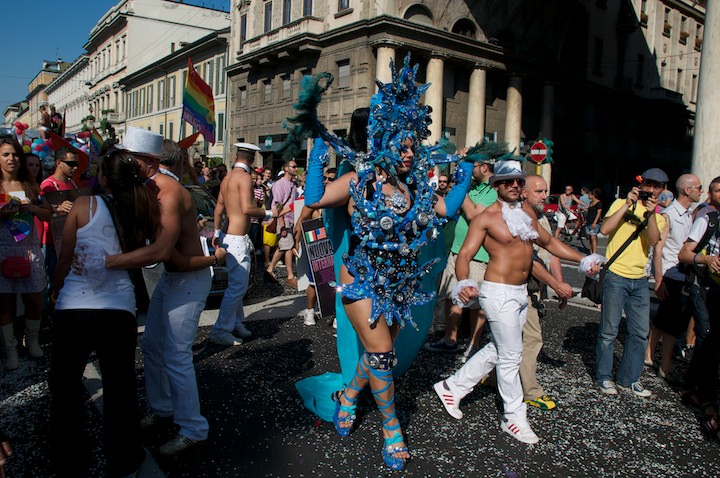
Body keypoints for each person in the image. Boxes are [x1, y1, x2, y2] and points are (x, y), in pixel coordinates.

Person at [297, 57, 473, 470]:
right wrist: (318, 154)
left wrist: (465, 169)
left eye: (414, 145)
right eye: (404, 146)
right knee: (381, 353)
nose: (411, 153)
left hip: (400, 285)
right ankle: (392, 428)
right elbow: (315, 200)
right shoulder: (359, 180)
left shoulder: (415, 188)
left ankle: (349, 398)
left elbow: (447, 209)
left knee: (381, 352)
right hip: (360, 279)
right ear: (385, 141)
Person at [432, 160, 600, 444]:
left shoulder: (525, 215)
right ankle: (513, 417)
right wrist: (464, 282)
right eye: (507, 181)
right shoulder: (486, 218)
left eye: (518, 181)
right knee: (511, 356)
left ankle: (452, 387)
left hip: (520, 292)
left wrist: (583, 258)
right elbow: (464, 255)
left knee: (500, 348)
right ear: (496, 185)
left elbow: (549, 243)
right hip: (497, 293)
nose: (513, 185)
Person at [104, 128, 224, 455]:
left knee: (176, 355)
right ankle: (163, 409)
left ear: (148, 162)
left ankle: (193, 428)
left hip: (188, 279)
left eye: (130, 159)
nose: (126, 165)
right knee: (152, 345)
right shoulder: (148, 188)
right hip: (175, 276)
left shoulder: (168, 193)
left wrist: (109, 261)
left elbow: (160, 251)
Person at [49, 148, 159, 477]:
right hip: (119, 307)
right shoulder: (142, 208)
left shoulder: (84, 204)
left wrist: (56, 292)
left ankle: (69, 460)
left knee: (66, 387)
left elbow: (64, 258)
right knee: (119, 387)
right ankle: (124, 460)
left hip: (75, 305)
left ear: (104, 178)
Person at [425, 141, 503, 359]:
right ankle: (450, 340)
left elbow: (474, 215)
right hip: (458, 251)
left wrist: (461, 191)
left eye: (472, 166)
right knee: (452, 295)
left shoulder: (492, 191)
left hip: (477, 255)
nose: (470, 171)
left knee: (475, 303)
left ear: (484, 167)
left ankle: (474, 344)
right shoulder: (474, 188)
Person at [595, 168, 666, 397]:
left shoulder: (660, 217)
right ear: (641, 185)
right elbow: (604, 229)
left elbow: (653, 240)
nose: (651, 190)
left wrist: (651, 214)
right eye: (648, 185)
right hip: (616, 275)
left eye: (657, 187)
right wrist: (627, 204)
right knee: (609, 331)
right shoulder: (621, 203)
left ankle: (630, 379)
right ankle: (604, 377)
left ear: (662, 190)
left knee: (640, 333)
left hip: (640, 280)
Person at [209, 143, 278, 346]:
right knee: (237, 288)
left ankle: (235, 322)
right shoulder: (245, 178)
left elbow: (218, 209)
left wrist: (216, 233)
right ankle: (220, 330)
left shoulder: (227, 177)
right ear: (252, 159)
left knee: (237, 285)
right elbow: (248, 209)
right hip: (237, 239)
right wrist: (270, 213)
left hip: (228, 235)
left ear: (236, 156)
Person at [519, 175, 575, 411]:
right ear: (524, 193)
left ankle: (490, 377)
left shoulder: (541, 218)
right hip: (521, 289)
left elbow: (551, 251)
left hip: (535, 289)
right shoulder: (520, 219)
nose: (545, 196)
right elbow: (530, 261)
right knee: (532, 339)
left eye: (546, 191)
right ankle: (530, 392)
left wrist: (558, 284)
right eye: (539, 191)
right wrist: (555, 284)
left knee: (509, 341)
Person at [0, 137, 52, 369]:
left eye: (15, 154)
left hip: (29, 251)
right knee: (4, 304)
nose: (11, 159)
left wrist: (32, 208)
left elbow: (48, 214)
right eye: (5, 154)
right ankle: (10, 349)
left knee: (33, 300)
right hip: (3, 252)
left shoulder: (30, 184)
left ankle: (32, 341)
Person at [645, 174, 702, 381]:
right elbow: (658, 249)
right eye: (698, 187)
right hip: (670, 273)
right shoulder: (669, 214)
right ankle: (665, 366)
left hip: (679, 273)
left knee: (665, 318)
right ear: (687, 190)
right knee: (672, 323)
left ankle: (649, 354)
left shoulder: (687, 214)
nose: (701, 191)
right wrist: (659, 279)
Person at [678, 176, 720, 434]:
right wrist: (706, 259)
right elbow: (684, 253)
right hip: (701, 285)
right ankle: (703, 394)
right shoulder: (707, 219)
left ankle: (692, 385)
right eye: (718, 190)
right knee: (705, 334)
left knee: (712, 340)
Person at [40, 147, 79, 299]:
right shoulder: (47, 185)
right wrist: (57, 208)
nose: (75, 168)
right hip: (52, 243)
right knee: (54, 283)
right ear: (58, 163)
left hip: (69, 241)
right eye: (71, 164)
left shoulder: (73, 184)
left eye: (76, 164)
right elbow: (42, 210)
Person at [265, 159, 299, 288]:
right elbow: (278, 206)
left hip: (291, 219)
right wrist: (282, 224)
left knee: (285, 246)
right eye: (293, 167)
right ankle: (290, 276)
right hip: (283, 219)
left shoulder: (293, 185)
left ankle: (269, 270)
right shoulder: (279, 184)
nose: (296, 169)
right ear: (286, 168)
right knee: (287, 246)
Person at [586, 188, 603, 254]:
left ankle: (594, 253)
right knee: (590, 238)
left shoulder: (598, 203)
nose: (588, 196)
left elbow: (598, 213)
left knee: (593, 237)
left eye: (589, 194)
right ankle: (591, 252)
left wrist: (595, 222)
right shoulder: (590, 203)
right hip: (588, 222)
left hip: (594, 222)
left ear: (593, 195)